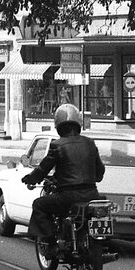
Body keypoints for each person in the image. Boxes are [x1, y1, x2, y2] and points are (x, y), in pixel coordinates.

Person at [22, 103, 105, 259]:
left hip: (68, 196)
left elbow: (43, 168)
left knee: (39, 205)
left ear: (58, 126)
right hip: (91, 194)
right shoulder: (90, 143)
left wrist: (30, 178)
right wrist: (95, 178)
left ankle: (51, 243)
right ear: (78, 124)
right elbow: (100, 170)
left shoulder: (57, 145)